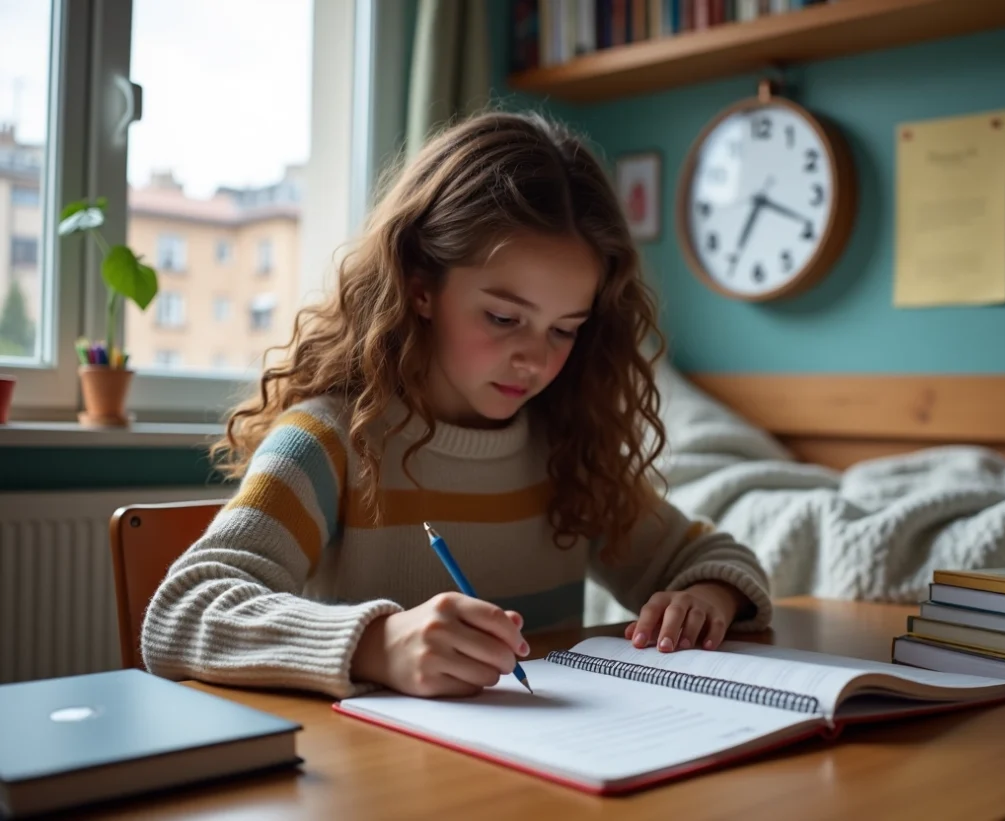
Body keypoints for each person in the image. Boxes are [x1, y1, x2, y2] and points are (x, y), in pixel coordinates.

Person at [140, 111, 773, 700]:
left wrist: (706, 597)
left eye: (564, 329)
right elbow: (183, 610)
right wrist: (375, 644)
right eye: (504, 317)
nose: (535, 359)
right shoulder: (327, 442)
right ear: (420, 288)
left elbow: (716, 559)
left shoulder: (564, 453)